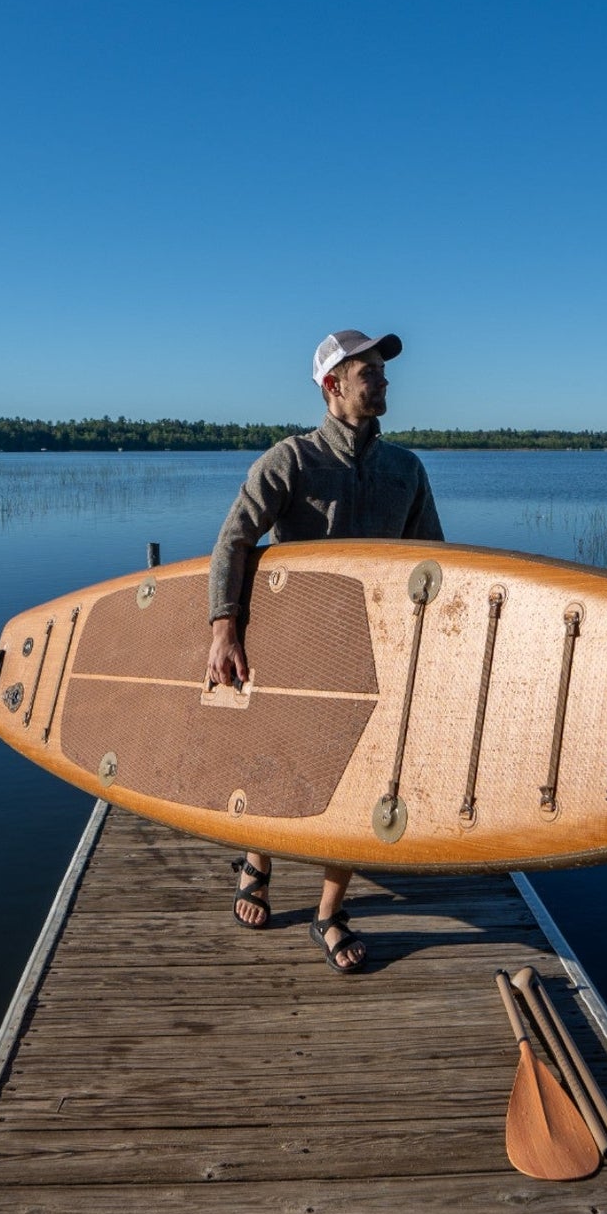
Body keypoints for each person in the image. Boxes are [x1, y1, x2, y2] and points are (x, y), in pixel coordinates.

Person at [207, 328, 444, 971]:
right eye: (370, 372)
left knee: (361, 777)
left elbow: (436, 563)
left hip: (381, 654)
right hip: (299, 646)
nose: (385, 381)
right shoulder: (291, 460)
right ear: (333, 385)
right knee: (276, 766)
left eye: (383, 371)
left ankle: (329, 912)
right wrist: (224, 626)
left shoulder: (406, 469)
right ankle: (257, 859)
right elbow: (234, 541)